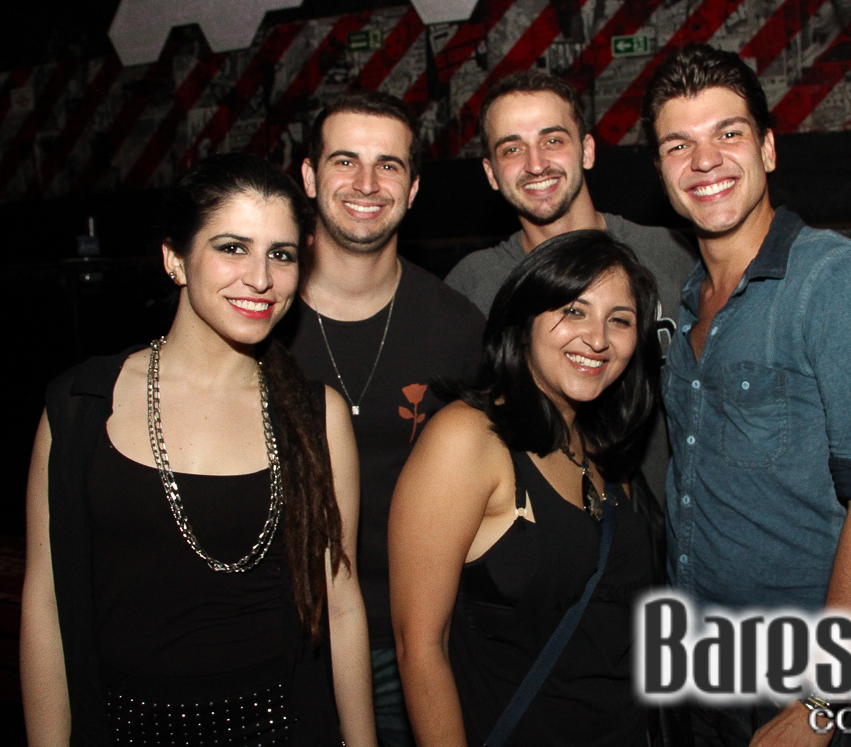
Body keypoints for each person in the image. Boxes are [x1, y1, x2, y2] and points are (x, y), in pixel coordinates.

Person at [20, 153, 375, 746]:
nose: (260, 278)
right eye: (233, 248)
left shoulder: (315, 415)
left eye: (281, 255)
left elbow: (340, 604)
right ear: (175, 259)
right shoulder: (81, 405)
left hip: (280, 728)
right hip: (123, 730)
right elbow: (46, 605)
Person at [643, 44, 851, 746]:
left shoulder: (836, 281)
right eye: (679, 145)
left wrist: (821, 704)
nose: (705, 161)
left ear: (767, 149)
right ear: (662, 171)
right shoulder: (687, 298)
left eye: (728, 133)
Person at [391, 230, 664, 747]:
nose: (598, 339)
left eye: (620, 320)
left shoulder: (603, 449)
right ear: (523, 322)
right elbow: (420, 647)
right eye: (574, 311)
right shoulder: (467, 438)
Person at [279, 91, 485, 747]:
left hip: (413, 643)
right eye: (345, 161)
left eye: (389, 165)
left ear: (413, 188)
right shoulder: (255, 313)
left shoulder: (457, 328)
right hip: (277, 637)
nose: (367, 183)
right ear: (309, 176)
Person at [445, 69, 697, 507]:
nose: (536, 164)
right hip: (549, 535)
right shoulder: (472, 287)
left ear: (587, 150)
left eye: (553, 140)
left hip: (679, 527)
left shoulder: (668, 255)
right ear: (490, 172)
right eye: (512, 149)